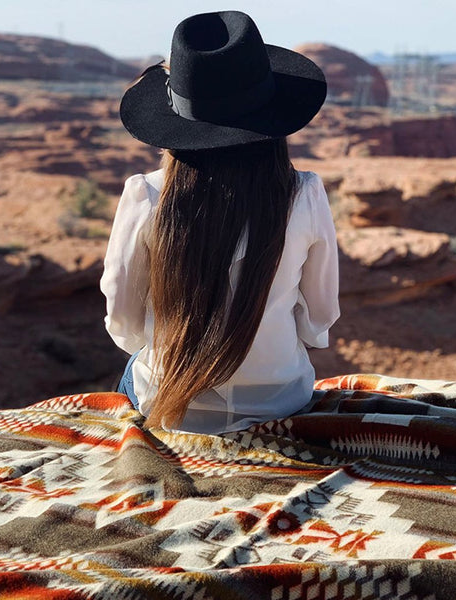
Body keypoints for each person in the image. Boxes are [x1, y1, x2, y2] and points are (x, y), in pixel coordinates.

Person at [100, 11, 339, 434]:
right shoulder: (305, 193)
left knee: (134, 372)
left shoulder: (146, 194)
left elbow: (122, 316)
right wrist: (274, 344)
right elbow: (320, 314)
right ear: (274, 117)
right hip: (281, 399)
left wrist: (154, 346)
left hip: (168, 399)